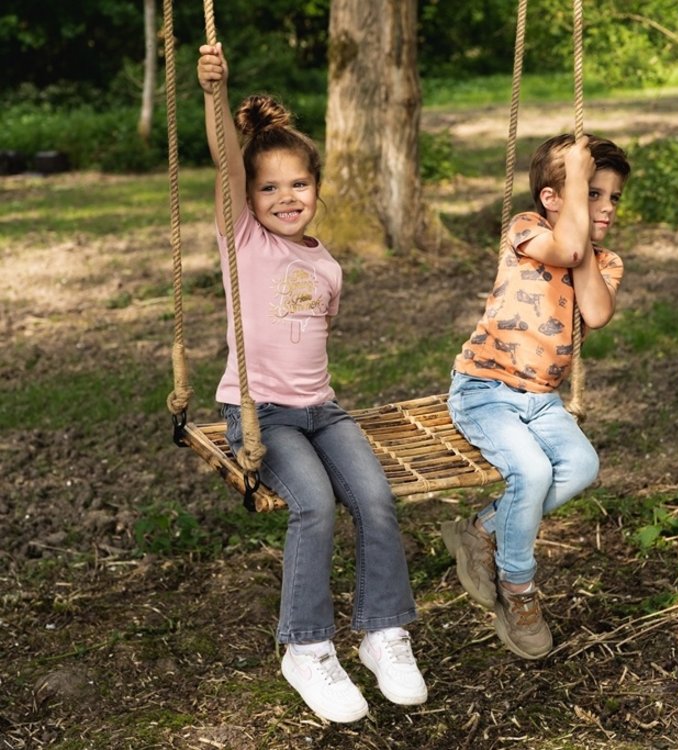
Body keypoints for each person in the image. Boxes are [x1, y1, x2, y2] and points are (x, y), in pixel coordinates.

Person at [197, 42, 427, 723]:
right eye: (267, 187)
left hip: (322, 410)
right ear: (250, 198)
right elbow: (223, 166)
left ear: (318, 188)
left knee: (378, 500)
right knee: (315, 505)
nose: (284, 197)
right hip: (260, 414)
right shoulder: (243, 241)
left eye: (297, 183)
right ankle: (305, 646)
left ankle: (384, 631)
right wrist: (215, 95)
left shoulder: (328, 266)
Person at [441, 133, 630, 660]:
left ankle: (481, 530)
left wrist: (587, 238)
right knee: (534, 472)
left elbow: (595, 312)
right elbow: (565, 248)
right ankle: (518, 589)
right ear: (553, 197)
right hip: (484, 389)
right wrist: (574, 188)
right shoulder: (527, 229)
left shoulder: (606, 262)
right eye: (592, 193)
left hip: (541, 400)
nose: (608, 207)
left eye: (614, 197)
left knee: (582, 465)